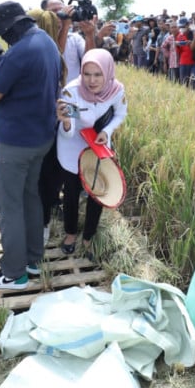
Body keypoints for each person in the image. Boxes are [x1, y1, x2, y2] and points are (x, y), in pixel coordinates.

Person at [0, 1, 61, 290]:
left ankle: (12, 273)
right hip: (41, 138)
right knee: (29, 198)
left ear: (12, 27)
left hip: (14, 143)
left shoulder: (20, 51)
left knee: (8, 206)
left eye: (2, 33)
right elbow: (28, 74)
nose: (2, 38)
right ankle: (34, 261)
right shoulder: (45, 42)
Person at [54, 49, 128, 257]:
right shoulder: (71, 92)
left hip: (98, 145)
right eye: (87, 74)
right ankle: (70, 233)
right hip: (72, 147)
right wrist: (67, 123)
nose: (92, 81)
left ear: (108, 72)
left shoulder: (116, 90)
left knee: (97, 192)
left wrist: (106, 131)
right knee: (71, 191)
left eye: (98, 74)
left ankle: (88, 236)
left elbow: (121, 114)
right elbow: (68, 132)